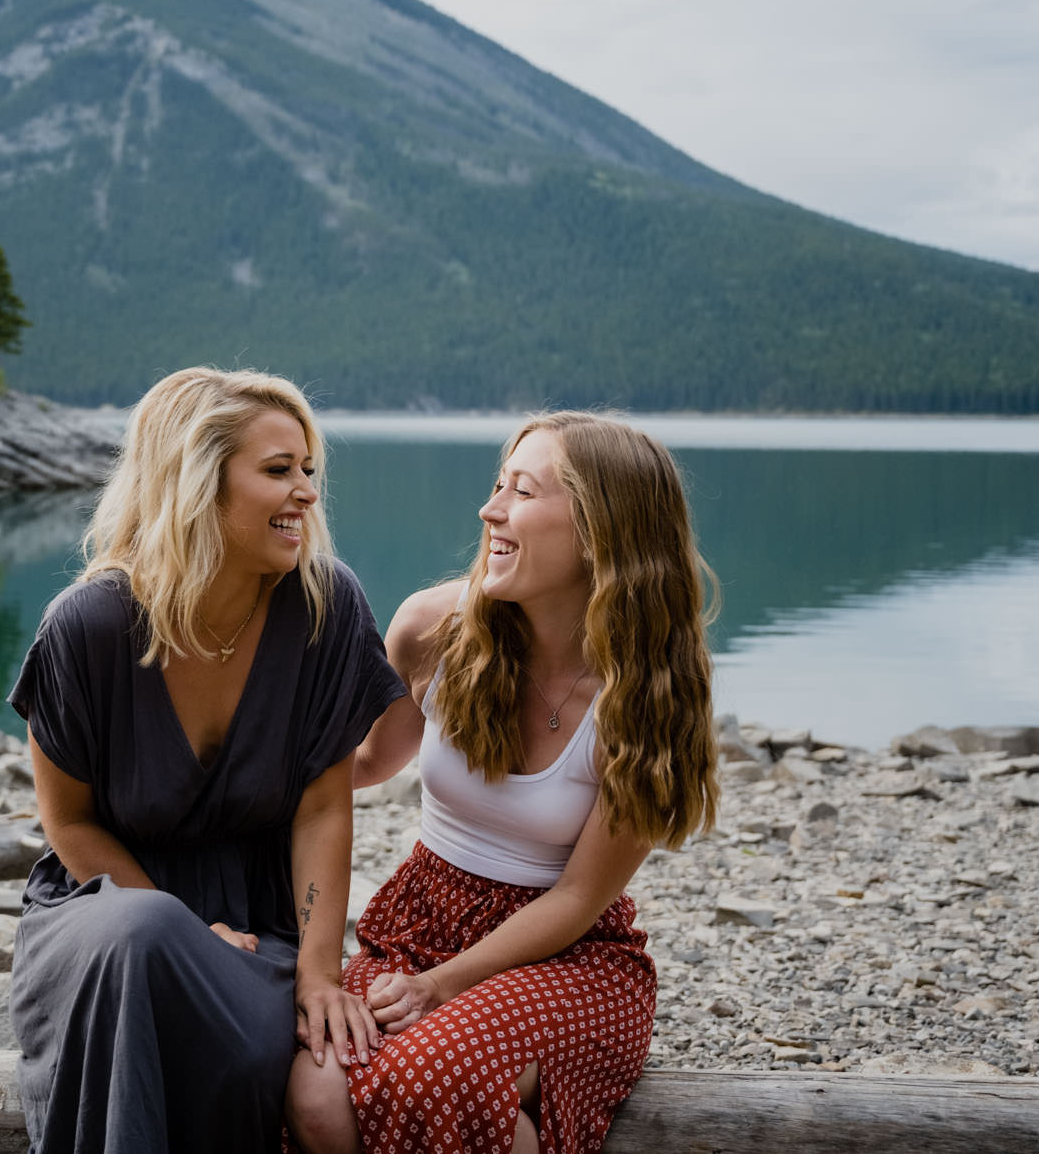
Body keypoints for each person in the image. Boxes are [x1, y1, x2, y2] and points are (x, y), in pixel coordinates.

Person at [286, 411, 720, 1154]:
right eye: (497, 485)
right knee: (316, 1089)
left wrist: (440, 986)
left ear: (600, 530)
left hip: (569, 956)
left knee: (429, 1075)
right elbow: (364, 762)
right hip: (419, 923)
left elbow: (579, 896)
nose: (490, 511)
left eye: (521, 491)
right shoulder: (433, 630)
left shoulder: (649, 692)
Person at [7, 366, 409, 1154]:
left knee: (260, 1054)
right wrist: (180, 930)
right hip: (101, 910)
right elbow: (69, 822)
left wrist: (321, 974)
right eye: (278, 470)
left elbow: (323, 809)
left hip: (260, 927)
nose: (307, 493)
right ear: (197, 484)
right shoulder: (86, 627)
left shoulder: (326, 607)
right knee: (142, 934)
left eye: (308, 469)